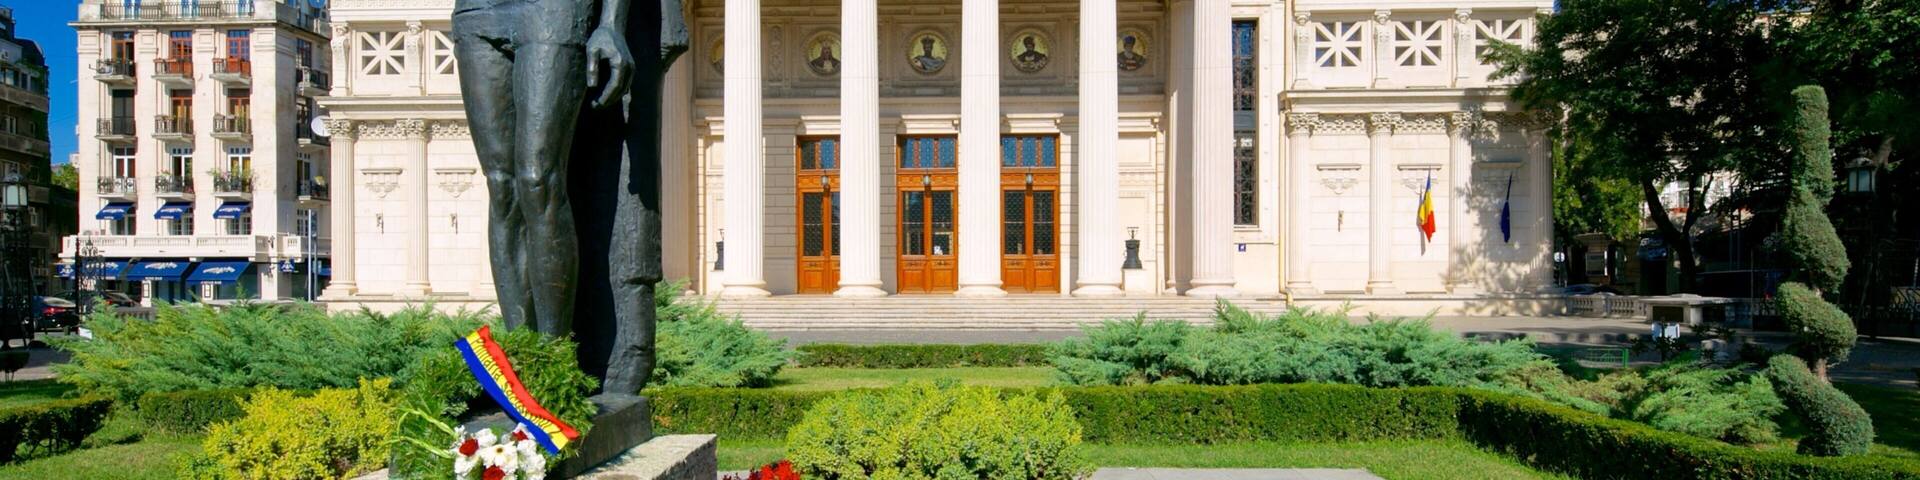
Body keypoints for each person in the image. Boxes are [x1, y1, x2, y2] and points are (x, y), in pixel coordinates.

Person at [451, 0, 634, 335]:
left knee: (538, 179)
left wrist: (611, 22)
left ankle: (553, 355)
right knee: (501, 186)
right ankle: (522, 352)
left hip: (553, 10)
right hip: (476, 12)